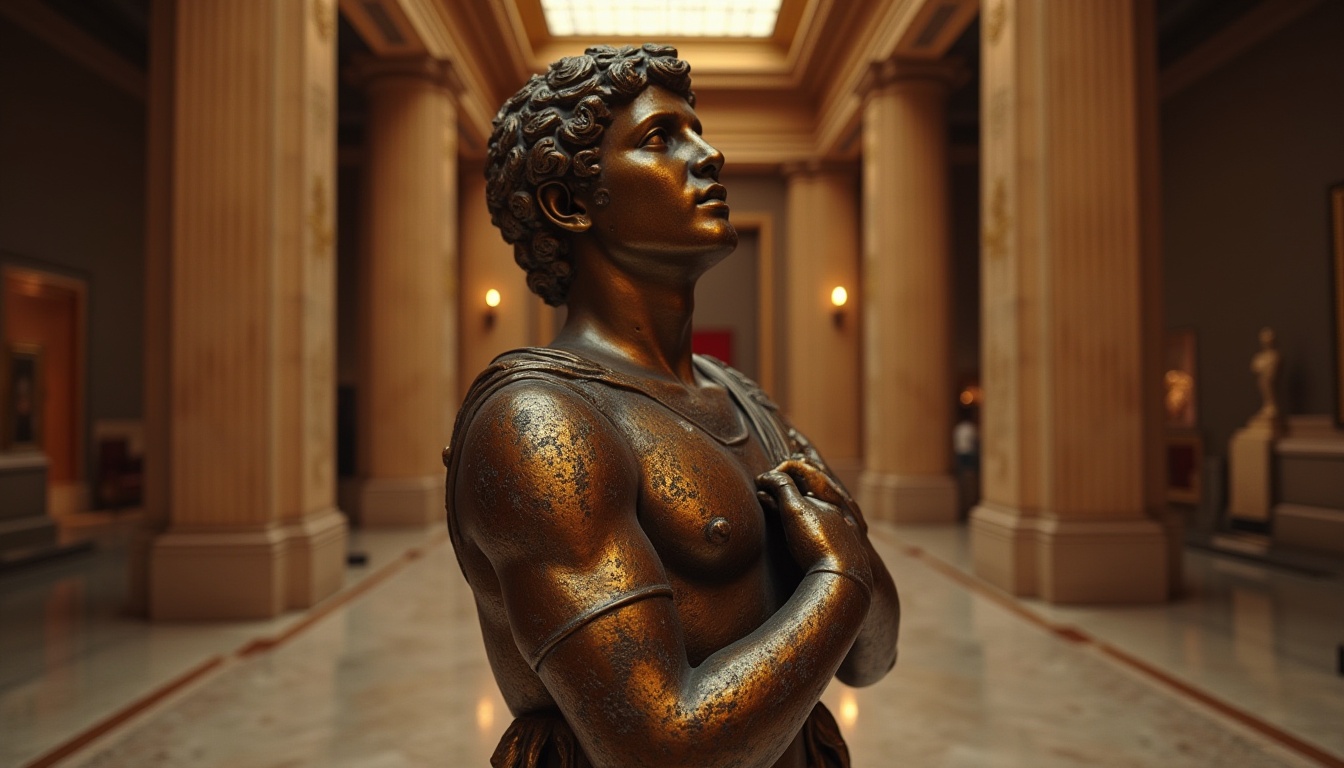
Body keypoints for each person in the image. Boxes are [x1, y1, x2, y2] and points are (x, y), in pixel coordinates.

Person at [444, 44, 900, 768]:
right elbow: (656, 746)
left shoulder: (741, 397)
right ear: (569, 204)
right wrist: (842, 579)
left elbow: (872, 659)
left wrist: (848, 564)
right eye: (662, 139)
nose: (709, 154)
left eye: (697, 130)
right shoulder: (540, 423)